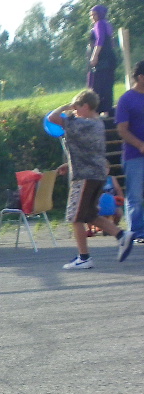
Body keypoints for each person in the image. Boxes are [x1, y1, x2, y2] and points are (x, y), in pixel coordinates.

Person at [48, 90, 135, 269]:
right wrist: (69, 165)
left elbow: (52, 118)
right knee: (89, 215)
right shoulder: (98, 123)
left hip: (84, 176)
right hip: (97, 174)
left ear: (85, 106)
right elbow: (87, 150)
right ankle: (122, 235)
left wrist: (66, 107)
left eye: (77, 107)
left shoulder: (82, 123)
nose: (75, 111)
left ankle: (84, 257)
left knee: (75, 217)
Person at [116, 60, 144, 240]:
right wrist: (140, 145)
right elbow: (122, 130)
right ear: (141, 77)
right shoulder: (127, 99)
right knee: (135, 196)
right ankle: (137, 231)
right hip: (134, 156)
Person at [87, 5, 117, 117]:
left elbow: (100, 40)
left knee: (98, 86)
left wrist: (94, 56)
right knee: (107, 85)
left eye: (95, 14)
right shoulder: (107, 24)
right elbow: (111, 42)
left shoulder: (99, 24)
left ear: (100, 14)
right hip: (109, 59)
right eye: (91, 15)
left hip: (102, 60)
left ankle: (97, 110)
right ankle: (107, 109)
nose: (93, 17)